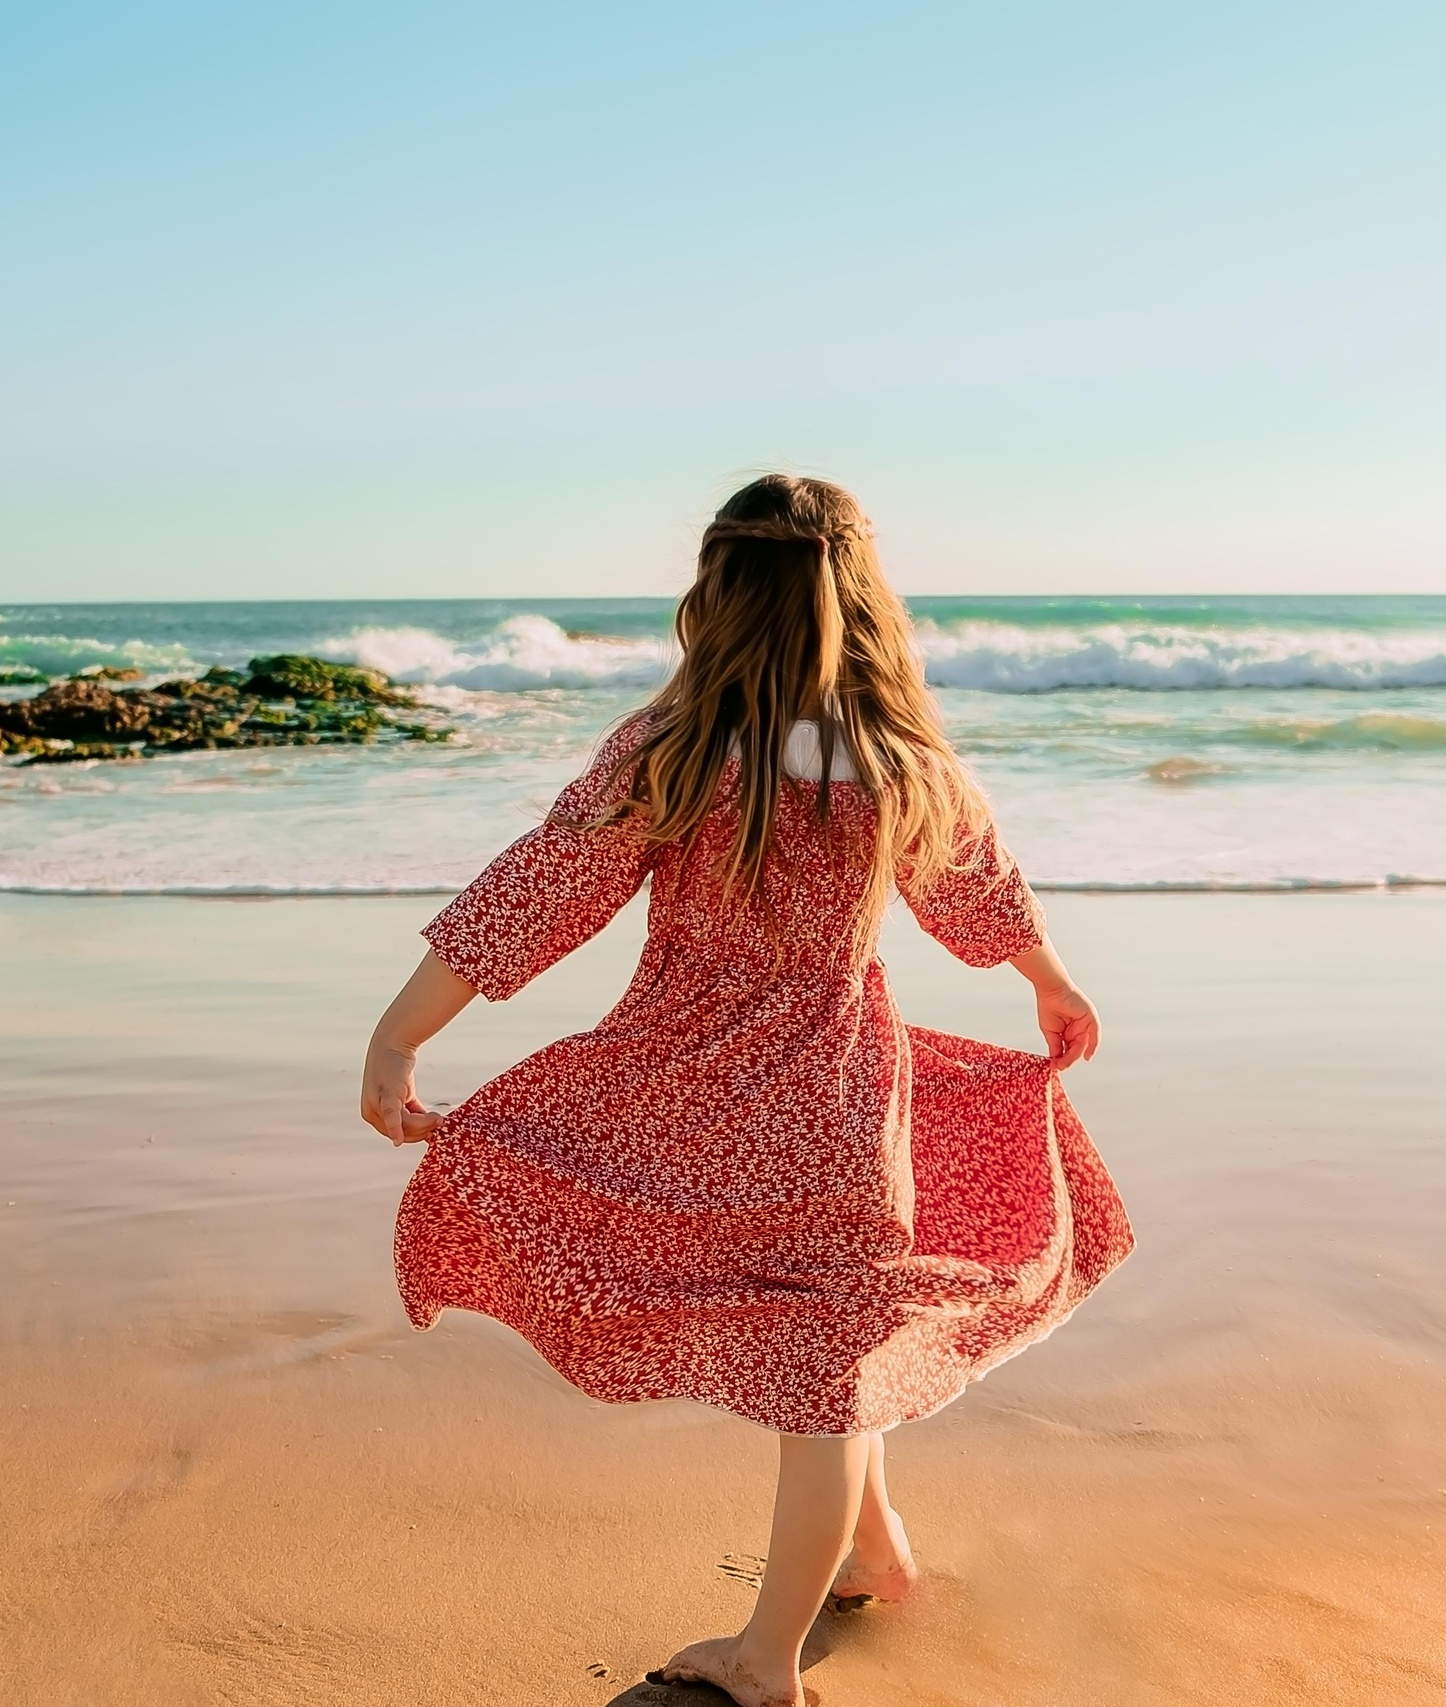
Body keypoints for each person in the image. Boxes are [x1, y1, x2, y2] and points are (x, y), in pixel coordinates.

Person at [359, 473, 1132, 1707]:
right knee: (830, 1338)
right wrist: (1049, 979)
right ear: (865, 595)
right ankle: (872, 1556)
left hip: (682, 1085)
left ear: (712, 593)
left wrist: (400, 1036)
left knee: (819, 1366)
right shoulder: (895, 759)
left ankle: (766, 1657)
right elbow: (975, 883)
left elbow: (540, 891)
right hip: (836, 1094)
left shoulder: (673, 747)